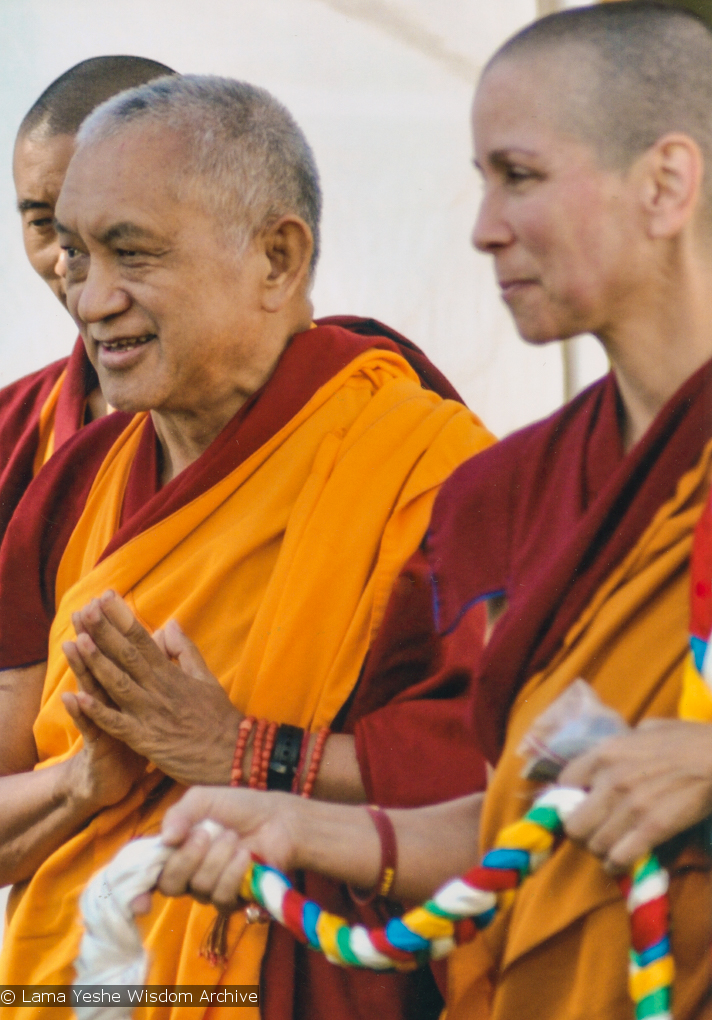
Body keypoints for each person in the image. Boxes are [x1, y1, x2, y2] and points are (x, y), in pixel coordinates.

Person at [137, 5, 712, 1019]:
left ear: (664, 182)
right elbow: (522, 825)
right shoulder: (505, 493)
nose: (483, 226)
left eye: (518, 176)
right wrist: (291, 829)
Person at [0, 75, 494, 1019]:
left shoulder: (424, 471)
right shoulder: (74, 485)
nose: (90, 298)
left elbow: (502, 783)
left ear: (277, 257)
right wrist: (78, 783)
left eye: (131, 254)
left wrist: (242, 752)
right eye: (71, 252)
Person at [1, 57, 178, 539]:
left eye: (113, 226)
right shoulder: (11, 432)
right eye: (43, 223)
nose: (68, 261)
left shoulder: (336, 416)